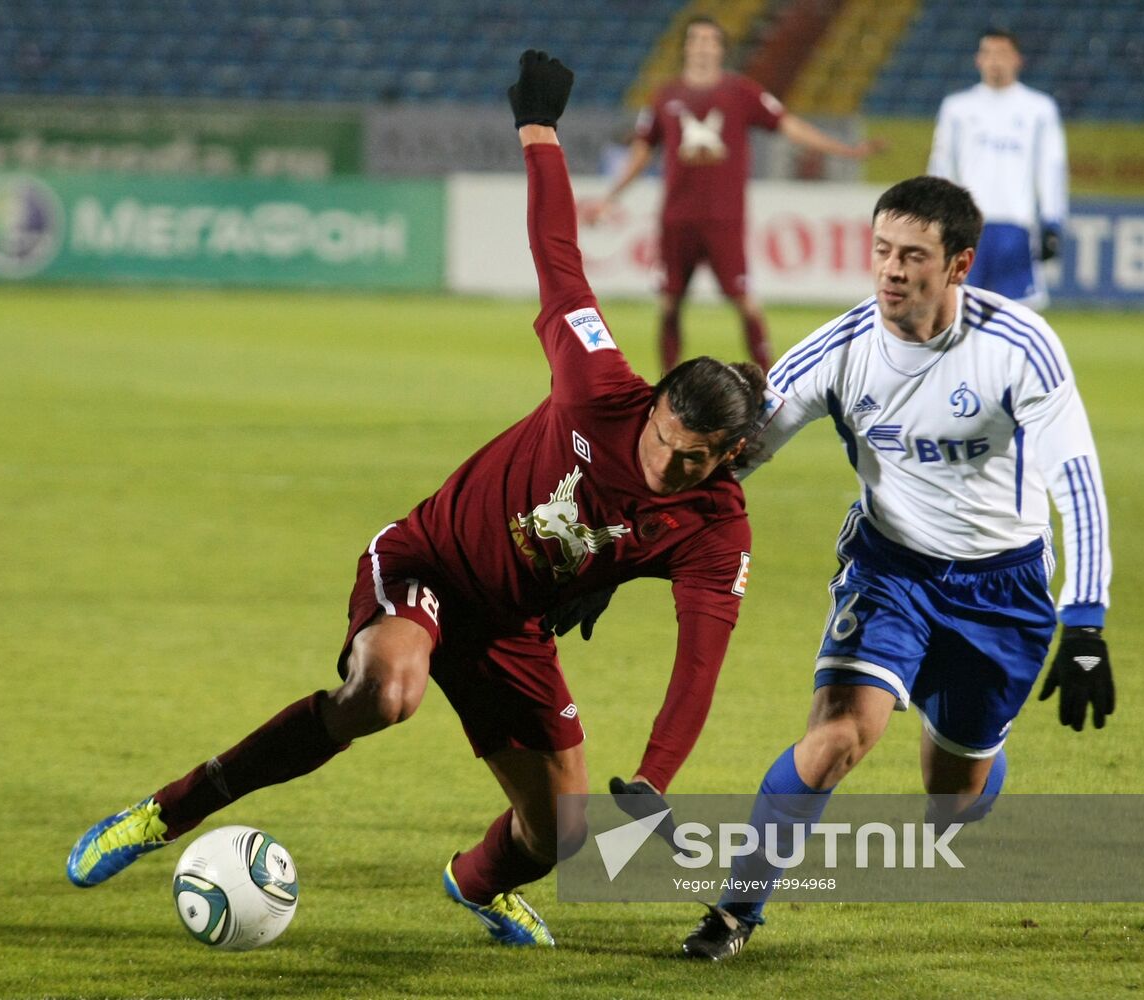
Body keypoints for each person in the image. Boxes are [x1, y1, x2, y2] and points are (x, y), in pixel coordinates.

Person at [66, 51, 768, 949]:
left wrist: (657, 777)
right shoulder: (598, 383)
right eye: (662, 441)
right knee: (384, 694)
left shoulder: (714, 530)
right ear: (656, 398)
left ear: (732, 455)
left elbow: (700, 660)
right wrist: (539, 131)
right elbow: (560, 257)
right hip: (427, 564)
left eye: (693, 460)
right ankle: (166, 812)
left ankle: (475, 885)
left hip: (513, 629)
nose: (667, 466)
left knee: (561, 835)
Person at [679, 175, 1114, 961]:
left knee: (952, 802)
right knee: (839, 735)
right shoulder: (840, 349)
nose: (889, 269)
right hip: (890, 572)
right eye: (880, 249)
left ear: (958, 265)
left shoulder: (1018, 347)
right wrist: (624, 542)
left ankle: (974, 747)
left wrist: (1084, 622)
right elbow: (731, 458)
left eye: (912, 255)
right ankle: (735, 909)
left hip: (1003, 589)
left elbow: (1075, 479)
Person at [585, 16, 881, 376]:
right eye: (696, 40)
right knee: (668, 303)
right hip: (677, 218)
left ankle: (770, 382)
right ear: (686, 48)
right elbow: (642, 152)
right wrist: (609, 197)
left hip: (724, 218)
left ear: (721, 50)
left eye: (710, 41)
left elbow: (788, 125)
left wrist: (844, 150)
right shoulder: (665, 96)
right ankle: (667, 384)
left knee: (745, 301)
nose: (703, 47)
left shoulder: (741, 92)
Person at [927, 28, 1068, 310]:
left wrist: (1052, 221)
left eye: (1002, 54)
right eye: (988, 53)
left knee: (1021, 311)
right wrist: (936, 216)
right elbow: (942, 165)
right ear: (978, 60)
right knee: (960, 308)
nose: (995, 61)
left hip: (1017, 223)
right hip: (969, 224)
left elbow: (1051, 167)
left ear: (1018, 60)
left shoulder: (1039, 108)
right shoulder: (957, 108)